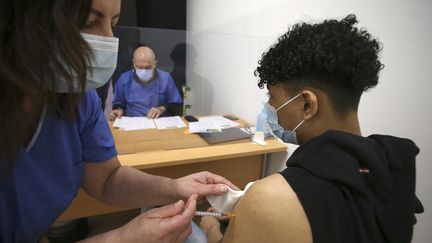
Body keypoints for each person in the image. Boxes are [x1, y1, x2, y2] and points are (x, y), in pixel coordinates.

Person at [0, 0, 238, 242]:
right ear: (24, 21)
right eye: (89, 21)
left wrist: (176, 187)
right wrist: (123, 238)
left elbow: (107, 178)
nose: (108, 39)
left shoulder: (79, 98)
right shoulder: (118, 82)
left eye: (113, 23)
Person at [199, 14, 424, 243]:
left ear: (307, 104)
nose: (270, 107)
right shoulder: (394, 170)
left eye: (272, 96)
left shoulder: (269, 199)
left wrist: (211, 229)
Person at [110, 45, 183, 120]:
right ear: (133, 63)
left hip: (158, 122)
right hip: (132, 122)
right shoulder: (124, 79)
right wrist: (119, 111)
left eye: (148, 67)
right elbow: (119, 103)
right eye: (139, 67)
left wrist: (161, 109)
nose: (144, 71)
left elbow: (176, 106)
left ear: (155, 63)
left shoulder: (165, 78)